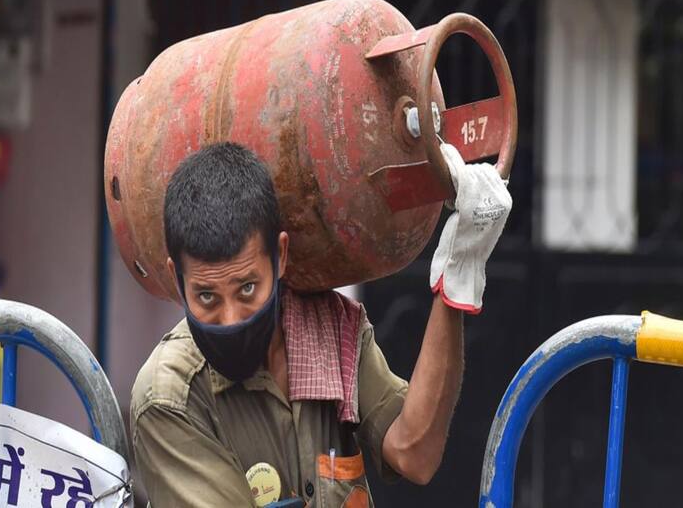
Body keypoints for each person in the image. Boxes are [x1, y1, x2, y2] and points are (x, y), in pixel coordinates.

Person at [130, 141, 511, 507]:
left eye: (247, 288)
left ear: (279, 257)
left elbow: (415, 454)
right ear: (176, 279)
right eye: (207, 297)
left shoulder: (329, 332)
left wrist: (459, 273)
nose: (231, 319)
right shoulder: (168, 397)